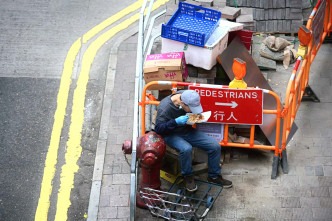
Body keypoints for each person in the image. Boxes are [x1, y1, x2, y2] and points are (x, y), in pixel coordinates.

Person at [154, 90, 232, 191]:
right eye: (191, 108)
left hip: (186, 130)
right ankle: (188, 177)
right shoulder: (165, 107)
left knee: (215, 146)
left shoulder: (186, 95)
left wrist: (196, 117)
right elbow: (159, 129)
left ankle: (214, 176)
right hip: (170, 134)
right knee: (186, 149)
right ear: (182, 103)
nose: (192, 110)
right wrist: (175, 122)